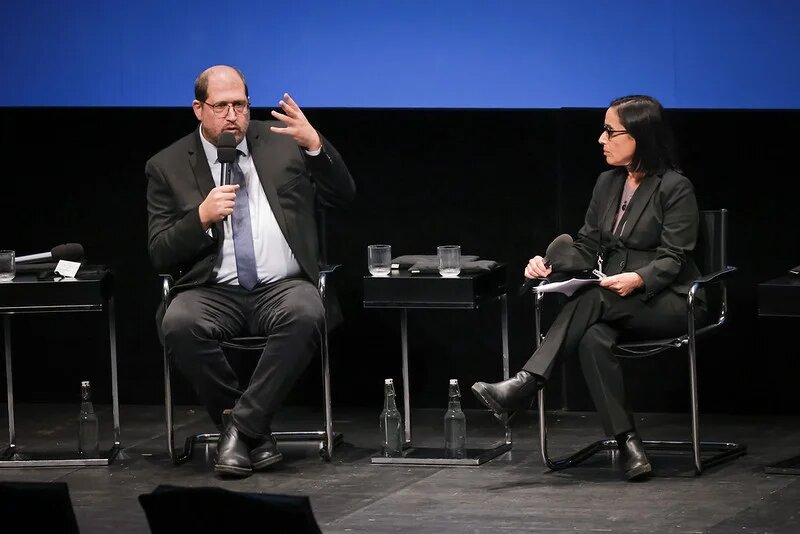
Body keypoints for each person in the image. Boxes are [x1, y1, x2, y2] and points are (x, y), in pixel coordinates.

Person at [472, 95, 703, 481]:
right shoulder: (607, 184)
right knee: (594, 336)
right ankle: (629, 445)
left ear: (640, 136)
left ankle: (525, 385)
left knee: (593, 298)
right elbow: (587, 246)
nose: (601, 139)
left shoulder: (674, 187)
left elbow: (674, 258)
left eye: (611, 131)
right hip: (616, 303)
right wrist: (548, 264)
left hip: (672, 301)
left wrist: (639, 278)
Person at [146, 65, 355, 477]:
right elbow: (159, 253)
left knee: (306, 312)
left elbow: (342, 194)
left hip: (283, 286)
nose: (232, 115)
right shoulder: (166, 165)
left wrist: (315, 145)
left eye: (240, 104)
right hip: (211, 290)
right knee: (179, 322)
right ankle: (253, 434)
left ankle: (240, 430)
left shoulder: (282, 143)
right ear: (198, 109)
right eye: (221, 106)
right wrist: (201, 218)